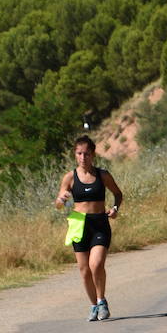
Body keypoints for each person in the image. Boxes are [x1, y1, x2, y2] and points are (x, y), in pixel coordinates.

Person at [54, 135, 123, 321]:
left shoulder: (103, 175)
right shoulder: (70, 177)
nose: (83, 157)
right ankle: (93, 306)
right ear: (75, 155)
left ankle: (102, 301)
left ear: (93, 154)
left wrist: (115, 208)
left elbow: (118, 194)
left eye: (86, 153)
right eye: (79, 153)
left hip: (99, 223)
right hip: (79, 225)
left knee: (96, 264)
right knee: (84, 271)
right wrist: (61, 200)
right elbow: (58, 204)